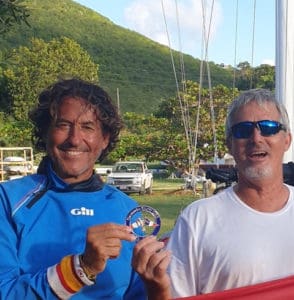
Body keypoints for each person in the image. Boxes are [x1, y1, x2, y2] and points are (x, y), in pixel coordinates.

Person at [0, 78, 158, 299]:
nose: (75, 139)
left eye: (87, 127)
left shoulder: (130, 212)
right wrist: (81, 268)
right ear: (45, 133)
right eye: (63, 125)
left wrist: (158, 286)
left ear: (104, 139)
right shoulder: (7, 200)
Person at [133, 88, 294, 298]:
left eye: (268, 128)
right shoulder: (198, 219)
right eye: (243, 130)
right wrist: (156, 290)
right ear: (230, 145)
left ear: (287, 140)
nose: (256, 138)